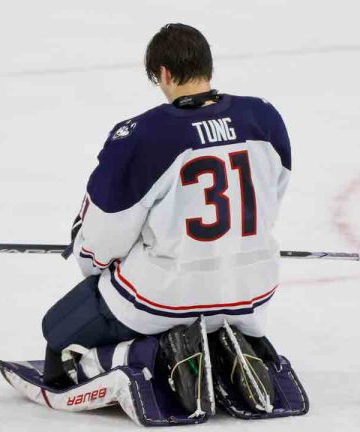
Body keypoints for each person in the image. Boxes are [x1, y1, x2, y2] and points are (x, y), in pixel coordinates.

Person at [41, 23, 291, 413]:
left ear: (165, 74)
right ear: (207, 67)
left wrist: (89, 256)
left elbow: (103, 238)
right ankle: (230, 346)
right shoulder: (264, 118)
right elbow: (271, 197)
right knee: (210, 300)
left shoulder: (143, 134)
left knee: (56, 330)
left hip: (164, 299)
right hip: (252, 292)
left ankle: (153, 358)